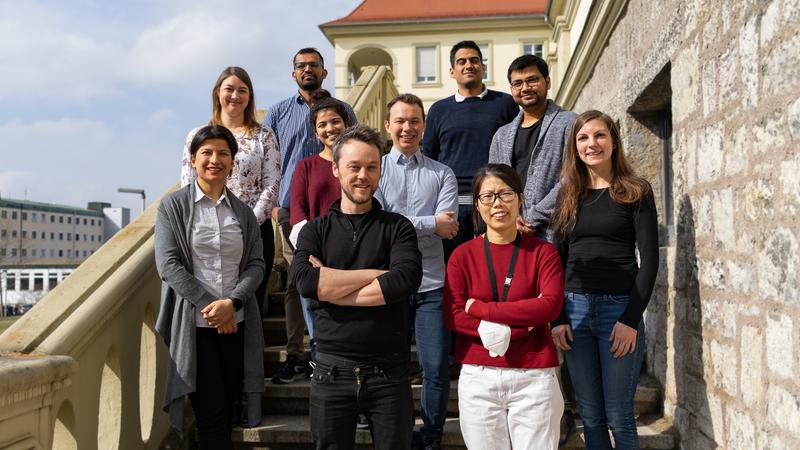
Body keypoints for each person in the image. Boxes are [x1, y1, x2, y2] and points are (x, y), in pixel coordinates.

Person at [292, 124, 422, 450]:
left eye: (371, 167)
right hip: (331, 372)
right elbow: (306, 282)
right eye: (354, 167)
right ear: (335, 169)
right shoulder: (314, 232)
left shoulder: (398, 228)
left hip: (389, 375)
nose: (362, 176)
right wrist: (377, 274)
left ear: (380, 170)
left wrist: (332, 284)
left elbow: (404, 280)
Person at [550, 110, 659, 450]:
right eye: (583, 138)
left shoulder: (635, 191)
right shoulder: (568, 194)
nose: (591, 144)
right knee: (592, 416)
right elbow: (558, 260)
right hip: (576, 312)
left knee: (619, 415)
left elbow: (650, 261)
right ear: (575, 146)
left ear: (613, 141)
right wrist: (558, 317)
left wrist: (630, 320)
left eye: (599, 135)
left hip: (618, 312)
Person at [156, 125, 266, 449]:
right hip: (195, 325)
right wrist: (213, 307)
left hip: (237, 323)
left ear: (233, 162)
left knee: (229, 405)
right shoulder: (172, 207)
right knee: (211, 411)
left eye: (222, 153)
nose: (214, 160)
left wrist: (232, 303)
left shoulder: (243, 213)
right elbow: (168, 265)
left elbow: (256, 264)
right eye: (206, 152)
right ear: (192, 159)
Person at [487, 54, 578, 445]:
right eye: (518, 83)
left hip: (552, 236)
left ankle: (567, 409)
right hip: (511, 241)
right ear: (512, 89)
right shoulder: (502, 134)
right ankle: (526, 407)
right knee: (521, 320)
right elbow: (492, 182)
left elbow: (572, 176)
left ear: (546, 81)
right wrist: (508, 218)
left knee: (557, 322)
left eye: (532, 80)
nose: (526, 88)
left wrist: (532, 214)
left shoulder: (568, 123)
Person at [444, 164, 564, 449]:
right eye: (488, 197)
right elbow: (454, 316)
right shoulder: (462, 256)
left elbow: (550, 306)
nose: (497, 203)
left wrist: (482, 309)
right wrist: (521, 326)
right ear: (477, 205)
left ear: (520, 198)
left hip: (533, 375)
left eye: (505, 194)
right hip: (479, 375)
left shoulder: (543, 252)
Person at [265, 48, 358, 384]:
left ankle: (339, 352)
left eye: (314, 65)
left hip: (340, 206)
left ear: (324, 71)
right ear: (293, 74)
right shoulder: (277, 112)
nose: (307, 70)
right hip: (293, 208)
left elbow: (356, 149)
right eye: (301, 66)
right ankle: (297, 354)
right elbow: (269, 159)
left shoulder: (343, 110)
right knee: (297, 283)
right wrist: (275, 203)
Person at [374, 94, 458, 450]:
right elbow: (376, 226)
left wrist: (397, 223)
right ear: (388, 126)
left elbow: (448, 225)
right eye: (400, 121)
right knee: (389, 365)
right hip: (388, 283)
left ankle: (432, 433)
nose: (407, 127)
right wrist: (428, 223)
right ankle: (397, 430)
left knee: (436, 367)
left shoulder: (442, 173)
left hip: (432, 284)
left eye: (414, 121)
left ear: (424, 126)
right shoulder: (373, 169)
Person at [180, 66, 280, 311]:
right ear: (217, 93)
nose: (235, 96)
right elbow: (187, 184)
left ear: (249, 96)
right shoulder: (198, 135)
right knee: (210, 304)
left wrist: (248, 223)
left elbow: (272, 184)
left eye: (242, 90)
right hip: (207, 230)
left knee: (248, 303)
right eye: (229, 89)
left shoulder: (263, 136)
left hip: (254, 231)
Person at [423, 40, 519, 260]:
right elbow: (430, 158)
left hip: (494, 201)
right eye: (462, 61)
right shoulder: (438, 110)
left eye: (474, 60)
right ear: (452, 71)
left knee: (495, 265)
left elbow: (517, 150)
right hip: (451, 205)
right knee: (455, 267)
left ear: (483, 67)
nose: (469, 65)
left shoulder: (505, 104)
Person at [288, 91, 352, 362]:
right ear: (315, 133)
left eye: (335, 121)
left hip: (352, 257)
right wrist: (314, 254)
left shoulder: (355, 164)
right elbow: (298, 214)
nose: (330, 128)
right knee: (318, 330)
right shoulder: (306, 166)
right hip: (315, 258)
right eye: (322, 125)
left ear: (346, 124)